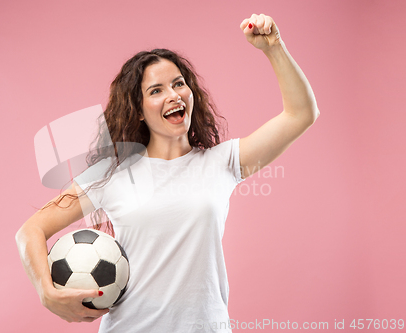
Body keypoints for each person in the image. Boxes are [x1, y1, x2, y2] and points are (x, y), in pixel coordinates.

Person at [16, 13, 319, 332]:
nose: (174, 95)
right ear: (139, 109)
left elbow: (301, 114)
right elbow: (31, 230)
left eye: (178, 84)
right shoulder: (112, 173)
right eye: (156, 90)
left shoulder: (223, 161)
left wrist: (274, 46)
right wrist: (46, 292)